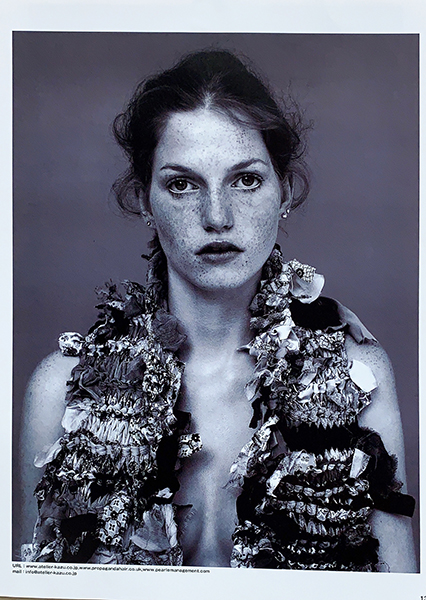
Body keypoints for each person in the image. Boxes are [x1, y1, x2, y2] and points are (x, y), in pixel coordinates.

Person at [20, 49, 416, 571]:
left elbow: (395, 592)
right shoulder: (60, 390)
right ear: (144, 199)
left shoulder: (356, 377)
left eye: (246, 180)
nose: (217, 216)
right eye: (182, 184)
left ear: (285, 191)